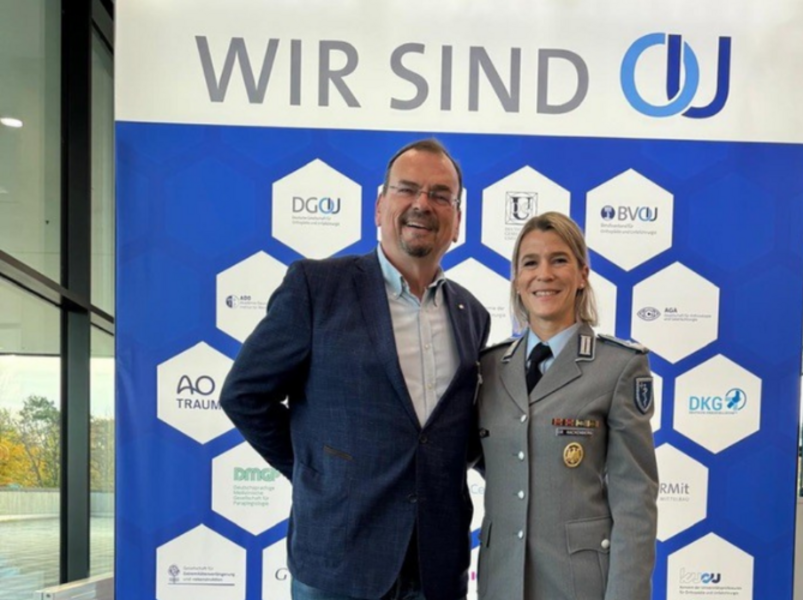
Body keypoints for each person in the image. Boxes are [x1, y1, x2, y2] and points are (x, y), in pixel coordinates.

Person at [219, 139, 491, 600]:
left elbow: (455, 433)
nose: (423, 204)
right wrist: (316, 474)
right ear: (380, 206)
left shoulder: (472, 314)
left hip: (437, 567)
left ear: (458, 220)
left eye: (441, 195)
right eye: (408, 189)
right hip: (338, 562)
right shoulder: (317, 287)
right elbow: (244, 395)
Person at [475, 212, 658, 600]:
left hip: (580, 585)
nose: (544, 274)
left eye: (559, 260)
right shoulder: (489, 367)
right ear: (517, 279)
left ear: (582, 274)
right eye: (530, 263)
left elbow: (635, 502)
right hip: (500, 582)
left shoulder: (618, 366)